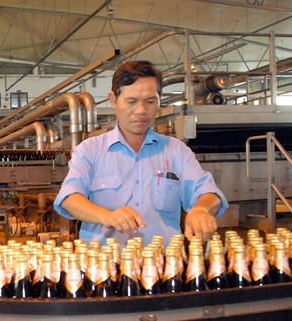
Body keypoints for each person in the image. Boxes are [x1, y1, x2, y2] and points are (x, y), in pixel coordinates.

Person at [54, 60, 228, 246]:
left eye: (150, 101)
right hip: (103, 269)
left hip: (162, 267)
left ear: (160, 100)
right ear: (113, 100)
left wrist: (201, 209)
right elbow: (69, 198)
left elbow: (208, 192)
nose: (141, 111)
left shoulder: (176, 151)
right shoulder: (90, 150)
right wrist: (107, 216)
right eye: (131, 101)